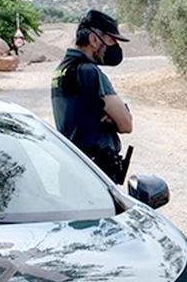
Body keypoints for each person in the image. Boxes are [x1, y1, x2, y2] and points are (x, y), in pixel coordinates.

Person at [51, 10, 134, 184]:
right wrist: (118, 114)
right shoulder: (89, 72)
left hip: (71, 169)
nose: (115, 46)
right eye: (112, 40)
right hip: (95, 175)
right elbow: (126, 124)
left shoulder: (61, 70)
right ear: (94, 39)